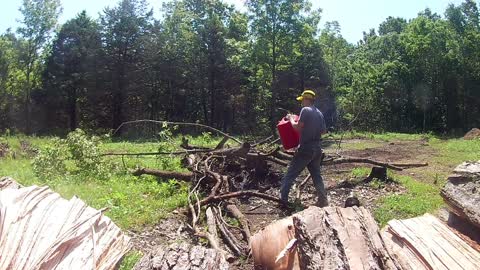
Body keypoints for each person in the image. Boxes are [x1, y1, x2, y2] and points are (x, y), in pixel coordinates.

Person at [280, 89, 328, 207]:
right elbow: (323, 131)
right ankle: (323, 200)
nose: (301, 103)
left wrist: (291, 119)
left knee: (290, 174)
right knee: (316, 175)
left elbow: (297, 128)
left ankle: (283, 201)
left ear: (307, 99)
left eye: (302, 100)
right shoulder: (319, 113)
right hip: (317, 149)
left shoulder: (305, 110)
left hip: (306, 148)